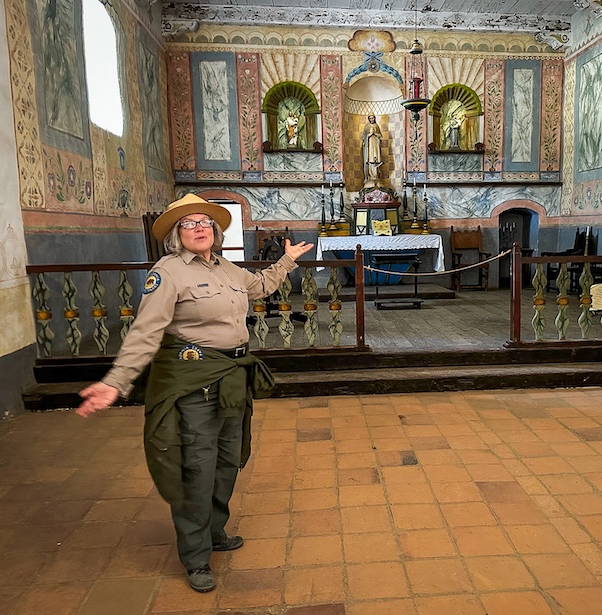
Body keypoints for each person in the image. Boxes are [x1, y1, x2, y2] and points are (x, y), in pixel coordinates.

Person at [75, 193, 314, 593]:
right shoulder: (167, 273)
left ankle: (214, 530)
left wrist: (287, 261)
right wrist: (116, 381)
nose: (200, 227)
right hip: (193, 380)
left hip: (231, 377)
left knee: (226, 460)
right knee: (197, 469)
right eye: (189, 223)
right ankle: (196, 556)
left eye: (206, 222)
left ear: (216, 232)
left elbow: (257, 287)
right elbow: (146, 331)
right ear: (175, 234)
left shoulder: (224, 266)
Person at [361, 113, 383, 187]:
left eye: (372, 118)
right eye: (370, 118)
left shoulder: (377, 126)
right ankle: (370, 176)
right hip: (369, 147)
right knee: (370, 159)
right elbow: (364, 137)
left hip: (376, 145)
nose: (371, 119)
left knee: (376, 159)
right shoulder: (367, 127)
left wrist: (375, 134)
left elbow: (380, 136)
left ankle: (376, 176)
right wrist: (370, 134)